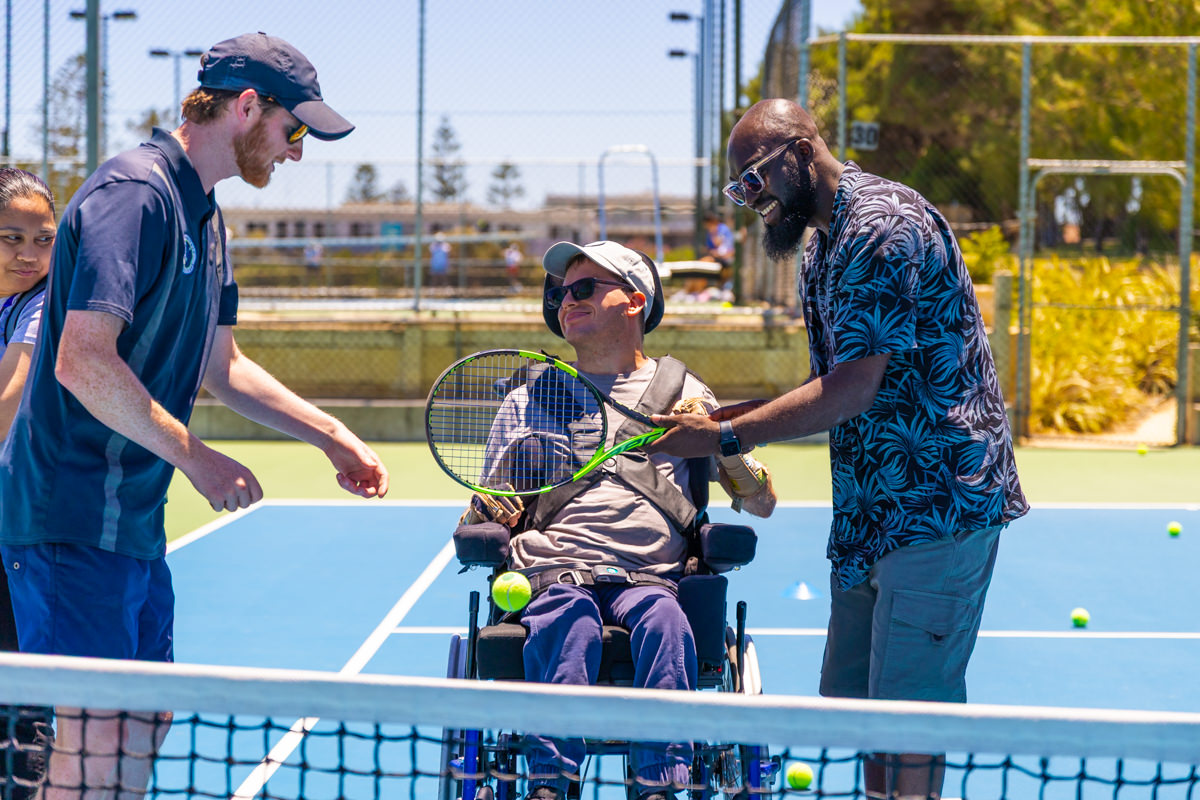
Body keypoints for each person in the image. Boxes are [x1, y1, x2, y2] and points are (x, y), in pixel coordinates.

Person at [0, 33, 389, 800]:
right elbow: (80, 360)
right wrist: (197, 457)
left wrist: (332, 437)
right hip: (68, 516)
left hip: (132, 523)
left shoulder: (207, 219)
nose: (297, 152)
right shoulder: (132, 195)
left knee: (142, 722)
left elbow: (226, 367)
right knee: (96, 734)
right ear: (248, 106)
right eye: (294, 130)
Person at [649, 98, 1029, 800]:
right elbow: (836, 380)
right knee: (853, 707)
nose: (749, 198)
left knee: (907, 717)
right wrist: (720, 419)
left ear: (800, 152)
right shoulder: (823, 242)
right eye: (738, 188)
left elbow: (853, 389)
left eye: (754, 177)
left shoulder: (881, 228)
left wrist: (728, 435)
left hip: (938, 504)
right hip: (869, 511)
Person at [460, 240, 775, 800]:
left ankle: (658, 783)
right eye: (559, 294)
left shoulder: (686, 394)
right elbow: (486, 505)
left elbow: (761, 501)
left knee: (668, 624)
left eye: (584, 289)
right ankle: (551, 784)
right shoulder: (529, 399)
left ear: (634, 301)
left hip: (653, 577)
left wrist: (718, 439)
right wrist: (486, 510)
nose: (565, 301)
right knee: (569, 622)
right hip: (555, 572)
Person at [0, 168, 57, 800]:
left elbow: (7, 404)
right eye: (12, 237)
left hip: (23, 533)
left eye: (43, 239)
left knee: (24, 711)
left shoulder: (45, 303)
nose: (29, 254)